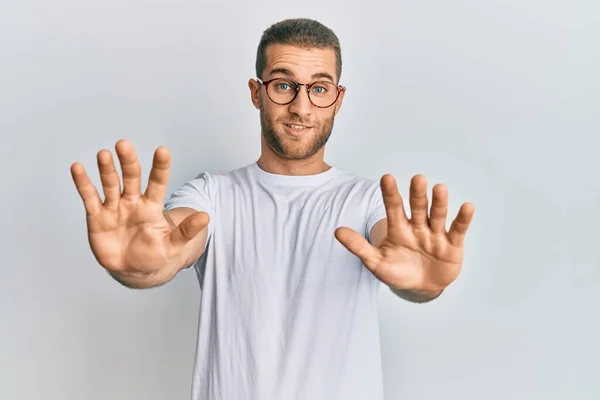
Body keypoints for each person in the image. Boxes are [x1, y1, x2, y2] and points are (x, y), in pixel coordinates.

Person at [70, 18, 474, 400]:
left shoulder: (366, 201)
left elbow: (399, 256)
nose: (301, 107)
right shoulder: (212, 195)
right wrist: (135, 266)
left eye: (319, 88)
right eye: (284, 85)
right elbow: (168, 250)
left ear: (338, 99)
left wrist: (424, 283)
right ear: (256, 91)